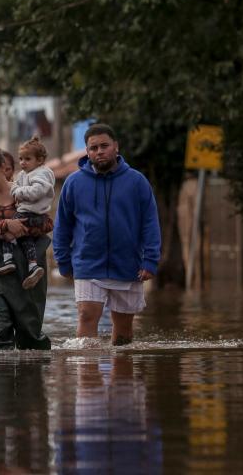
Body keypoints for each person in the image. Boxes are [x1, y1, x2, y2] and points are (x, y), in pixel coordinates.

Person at [52, 123, 161, 346]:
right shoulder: (73, 183)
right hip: (87, 263)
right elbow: (62, 226)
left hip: (128, 265)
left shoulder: (137, 182)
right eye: (93, 148)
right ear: (87, 151)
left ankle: (121, 379)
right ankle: (88, 377)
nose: (99, 151)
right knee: (86, 316)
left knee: (123, 333)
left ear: (116, 147)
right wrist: (63, 261)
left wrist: (150, 260)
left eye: (104, 146)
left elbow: (150, 223)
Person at [0, 146, 53, 350]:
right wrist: (6, 225)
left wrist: (22, 229)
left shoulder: (21, 191)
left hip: (25, 269)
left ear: (2, 169)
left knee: (29, 332)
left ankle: (32, 376)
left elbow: (47, 224)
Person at [0, 137, 56, 290]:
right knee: (25, 238)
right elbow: (15, 185)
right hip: (29, 214)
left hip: (32, 214)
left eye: (27, 159)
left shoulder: (41, 173)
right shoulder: (24, 174)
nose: (22, 162)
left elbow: (37, 191)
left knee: (6, 229)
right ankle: (33, 267)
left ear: (40, 160)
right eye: (20, 159)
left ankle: (8, 261)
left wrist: (17, 191)